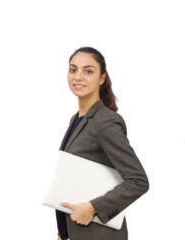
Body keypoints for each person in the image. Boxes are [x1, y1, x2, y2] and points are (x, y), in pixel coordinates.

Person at [56, 47, 150, 240]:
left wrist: (93, 208)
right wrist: (63, 234)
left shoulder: (105, 121)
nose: (78, 76)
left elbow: (138, 181)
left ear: (101, 78)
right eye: (73, 70)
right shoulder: (76, 120)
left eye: (88, 71)